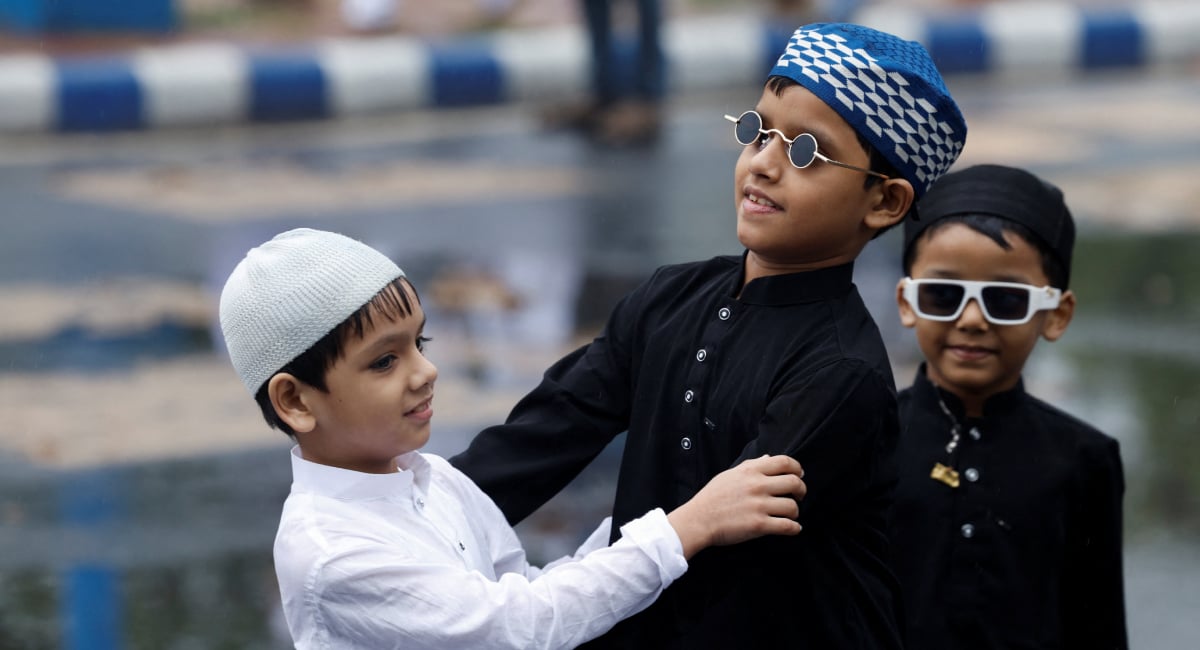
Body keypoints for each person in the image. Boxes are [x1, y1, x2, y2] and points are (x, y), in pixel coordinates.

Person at [452, 22, 968, 648]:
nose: (765, 164)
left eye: (806, 151)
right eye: (758, 130)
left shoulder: (839, 371)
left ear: (884, 202)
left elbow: (723, 549)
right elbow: (545, 433)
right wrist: (421, 520)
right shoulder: (670, 296)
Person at [217, 227, 808, 649]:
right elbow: (518, 627)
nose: (424, 373)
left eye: (418, 344)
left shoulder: (432, 479)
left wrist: (656, 508)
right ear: (295, 401)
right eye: (383, 362)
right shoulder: (331, 554)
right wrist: (683, 529)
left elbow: (528, 588)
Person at [890, 164, 1128, 648]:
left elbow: (1098, 622)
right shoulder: (864, 441)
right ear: (908, 301)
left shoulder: (1084, 459)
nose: (972, 320)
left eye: (1005, 300)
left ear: (1056, 314)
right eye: (943, 294)